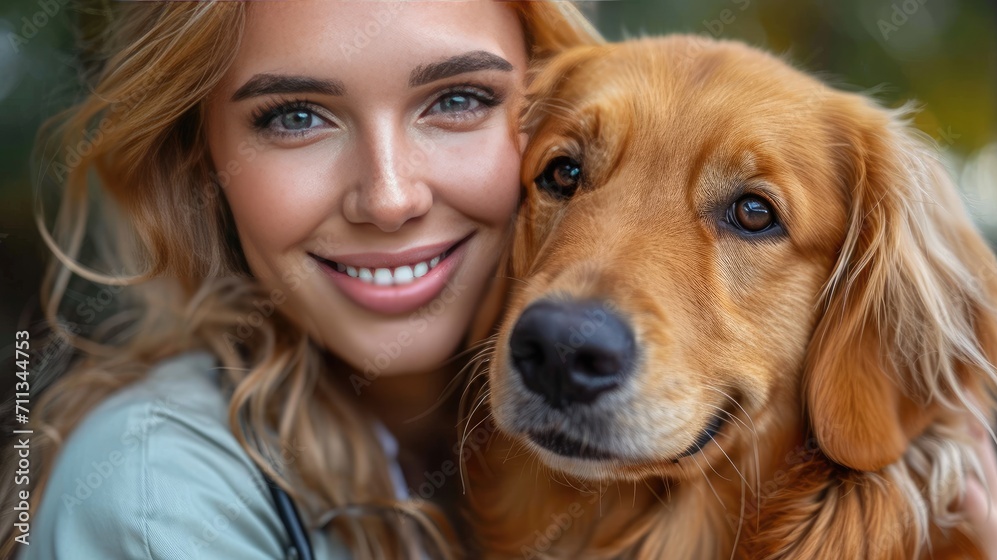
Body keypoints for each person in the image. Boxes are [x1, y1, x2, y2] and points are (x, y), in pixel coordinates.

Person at [0, 2, 602, 559]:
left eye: (457, 101)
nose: (389, 199)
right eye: (297, 116)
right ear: (200, 161)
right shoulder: (157, 500)